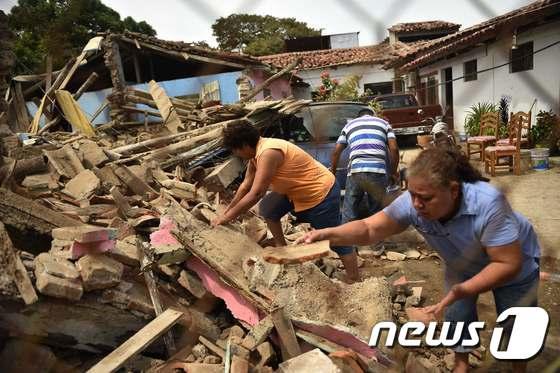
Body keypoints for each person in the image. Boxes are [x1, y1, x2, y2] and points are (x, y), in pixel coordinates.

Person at [298, 148, 540, 373]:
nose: (416, 204)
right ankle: (461, 365)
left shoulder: (489, 204)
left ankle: (518, 368)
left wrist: (461, 289)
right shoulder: (413, 202)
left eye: (425, 198)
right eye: (412, 194)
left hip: (513, 266)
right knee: (457, 317)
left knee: (516, 323)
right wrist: (328, 233)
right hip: (461, 263)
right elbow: (369, 229)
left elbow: (507, 264)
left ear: (454, 190)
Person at [211, 120, 360, 282]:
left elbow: (256, 193)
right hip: (295, 190)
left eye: (236, 150)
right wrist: (226, 213)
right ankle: (283, 249)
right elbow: (245, 186)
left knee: (334, 238)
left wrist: (226, 218)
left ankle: (353, 278)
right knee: (269, 209)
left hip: (320, 192)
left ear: (244, 145)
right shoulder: (256, 155)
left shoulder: (268, 152)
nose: (237, 155)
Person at [331, 108, 400, 223]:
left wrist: (332, 171)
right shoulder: (384, 124)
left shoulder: (349, 125)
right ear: (372, 115)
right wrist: (393, 172)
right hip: (378, 171)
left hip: (355, 172)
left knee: (349, 211)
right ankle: (377, 239)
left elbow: (336, 151)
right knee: (377, 212)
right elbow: (394, 149)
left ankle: (348, 237)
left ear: (358, 116)